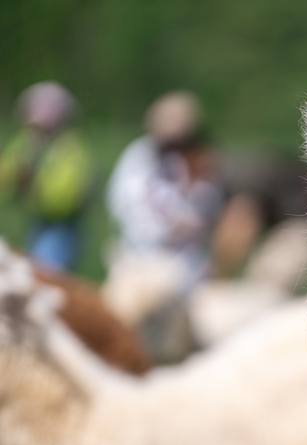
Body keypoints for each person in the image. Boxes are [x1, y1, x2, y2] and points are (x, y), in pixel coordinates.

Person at [104, 90, 224, 362]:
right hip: (139, 260)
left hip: (182, 266)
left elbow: (207, 207)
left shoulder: (199, 160)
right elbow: (126, 205)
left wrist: (189, 217)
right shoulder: (139, 157)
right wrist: (171, 224)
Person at [0, 82, 93, 271]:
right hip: (37, 222)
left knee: (47, 271)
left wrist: (34, 186)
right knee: (31, 270)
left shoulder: (71, 148)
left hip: (62, 226)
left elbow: (67, 196)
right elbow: (6, 176)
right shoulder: (26, 143)